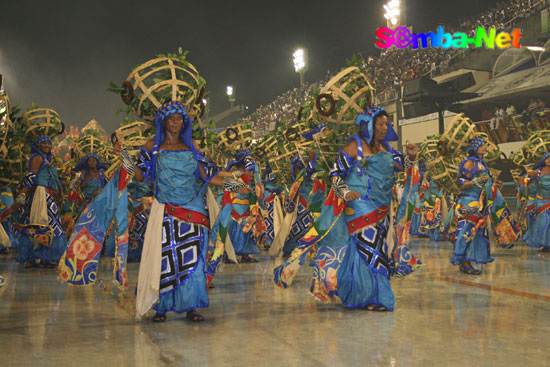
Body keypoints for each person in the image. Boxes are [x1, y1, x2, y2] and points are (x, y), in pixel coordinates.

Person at [274, 105, 420, 311]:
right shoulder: (355, 146)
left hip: (383, 207)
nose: (385, 128)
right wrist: (345, 193)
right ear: (369, 126)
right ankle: (373, 297)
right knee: (369, 249)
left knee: (376, 249)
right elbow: (335, 173)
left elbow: (402, 166)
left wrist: (412, 157)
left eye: (387, 124)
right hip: (358, 205)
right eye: (381, 124)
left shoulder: (388, 149)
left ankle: (357, 291)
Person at [132, 101, 251, 322]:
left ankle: (191, 306)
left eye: (180, 118)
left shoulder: (193, 148)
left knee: (193, 258)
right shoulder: (152, 148)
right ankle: (161, 307)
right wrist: (124, 159)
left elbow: (209, 177)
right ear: (164, 121)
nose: (176, 122)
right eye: (172, 118)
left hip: (193, 210)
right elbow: (138, 176)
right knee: (166, 258)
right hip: (166, 210)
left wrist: (236, 186)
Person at [15, 134, 67, 268]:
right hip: (40, 196)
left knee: (46, 225)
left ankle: (43, 257)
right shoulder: (38, 158)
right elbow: (31, 177)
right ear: (38, 145)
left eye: (49, 143)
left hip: (46, 195)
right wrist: (22, 196)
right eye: (44, 143)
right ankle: (37, 257)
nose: (47, 146)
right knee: (44, 225)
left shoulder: (46, 158)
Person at [451, 137, 493, 274]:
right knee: (467, 232)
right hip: (469, 202)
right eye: (481, 145)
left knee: (476, 233)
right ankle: (464, 262)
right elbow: (462, 184)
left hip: (480, 202)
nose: (484, 148)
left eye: (485, 145)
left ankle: (469, 260)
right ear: (475, 148)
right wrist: (477, 181)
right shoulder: (469, 162)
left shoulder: (482, 163)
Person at [523, 153, 550, 252]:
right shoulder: (537, 172)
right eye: (547, 159)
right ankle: (545, 244)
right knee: (543, 221)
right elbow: (527, 179)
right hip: (541, 200)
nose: (549, 161)